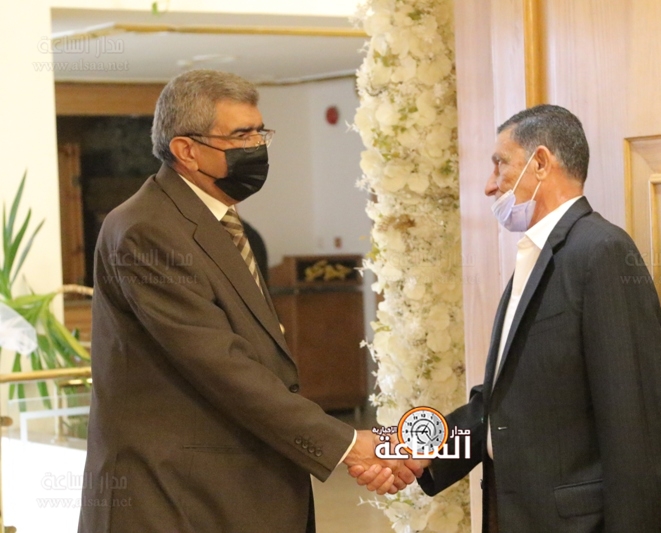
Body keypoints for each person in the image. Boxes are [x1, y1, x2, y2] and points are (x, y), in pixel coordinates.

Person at [78, 69, 412, 533]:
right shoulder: (146, 230)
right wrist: (346, 444)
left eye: (260, 132)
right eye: (240, 136)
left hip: (234, 489)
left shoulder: (222, 224)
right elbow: (221, 364)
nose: (256, 146)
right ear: (186, 150)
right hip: (175, 497)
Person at [404, 105, 661, 532]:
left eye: (500, 164)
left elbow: (636, 423)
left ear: (541, 163)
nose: (490, 185)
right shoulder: (537, 254)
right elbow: (504, 403)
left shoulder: (601, 251)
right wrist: (416, 450)